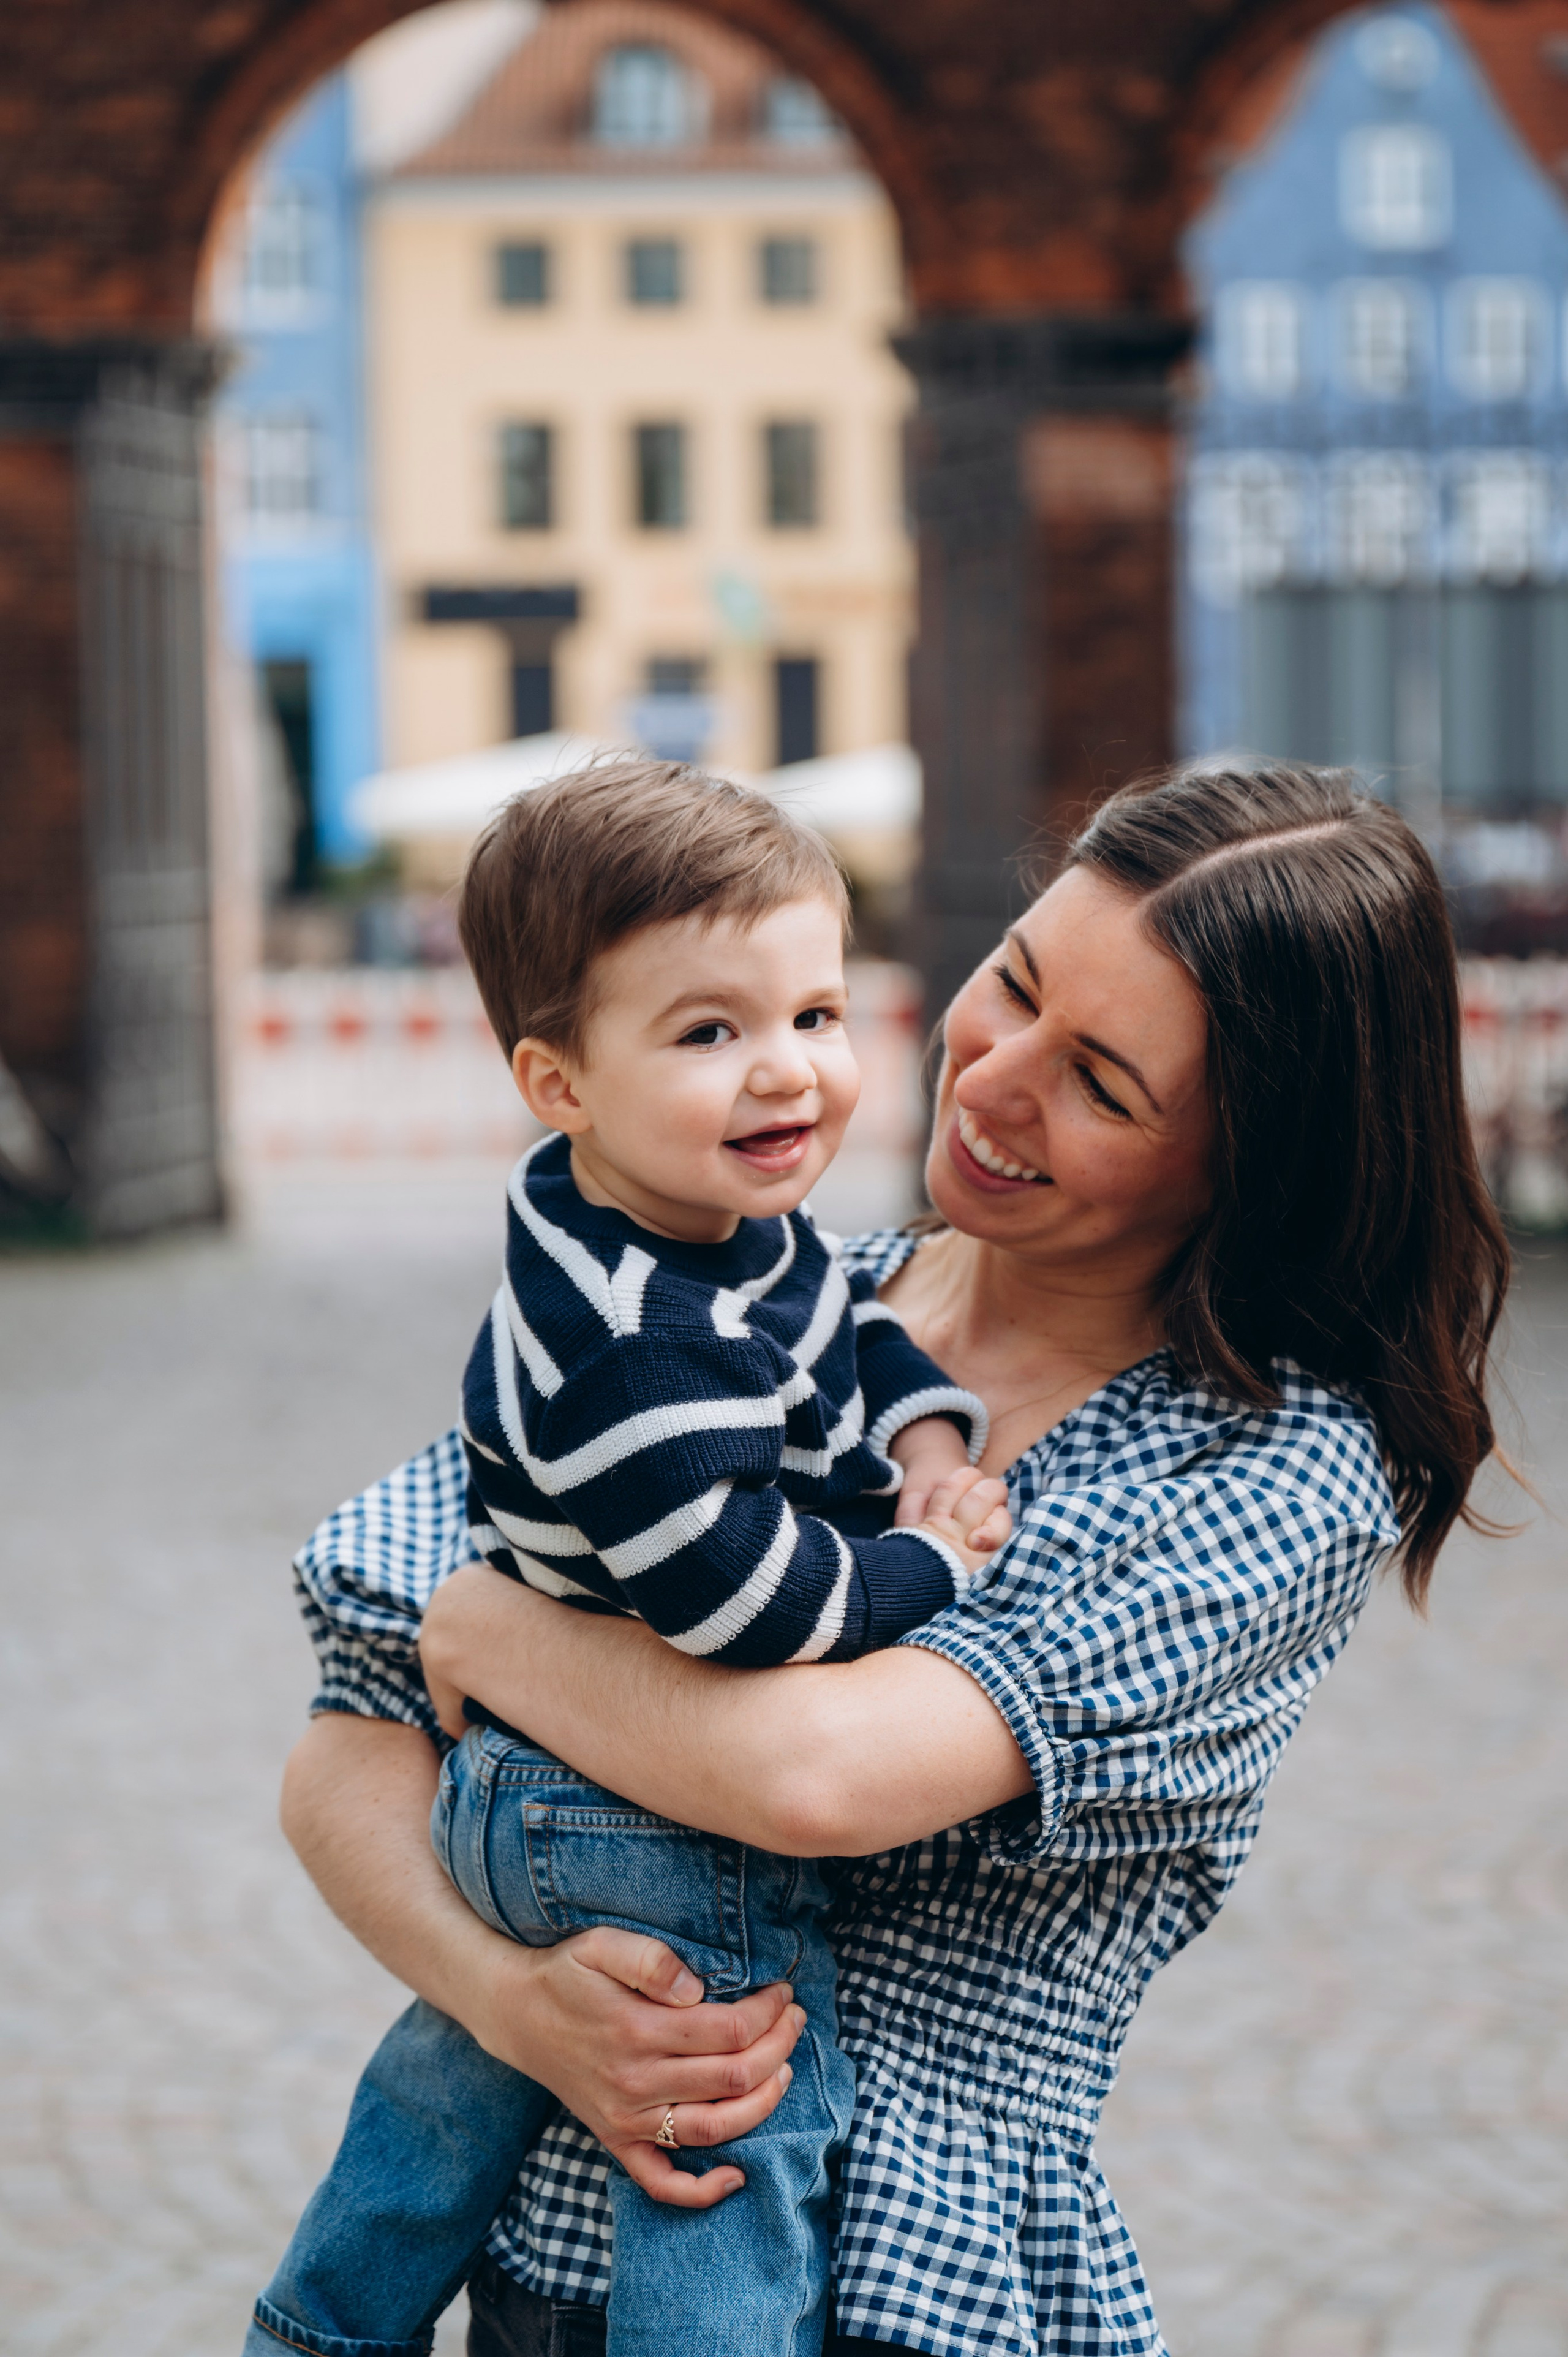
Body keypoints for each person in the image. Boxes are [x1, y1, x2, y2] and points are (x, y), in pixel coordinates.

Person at [276, 763, 1509, 2356]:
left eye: (1105, 1086)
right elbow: (346, 1739)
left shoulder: (1263, 1475)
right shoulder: (760, 1287)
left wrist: (486, 1625)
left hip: (910, 2287)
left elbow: (815, 1777)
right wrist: (511, 2005)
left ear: (1248, 1163)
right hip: (556, 2257)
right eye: (1013, 984)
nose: (991, 1082)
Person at [247, 763, 1014, 2357]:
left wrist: (927, 1437)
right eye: (707, 1032)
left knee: (457, 2082)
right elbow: (751, 1606)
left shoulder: (705, 1225)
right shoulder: (629, 1347)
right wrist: (931, 1564)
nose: (787, 1072)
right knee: (732, 2123)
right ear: (558, 1080)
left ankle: (321, 2326)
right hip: (629, 1815)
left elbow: (848, 1332)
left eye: (814, 1012)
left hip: (541, 1780)